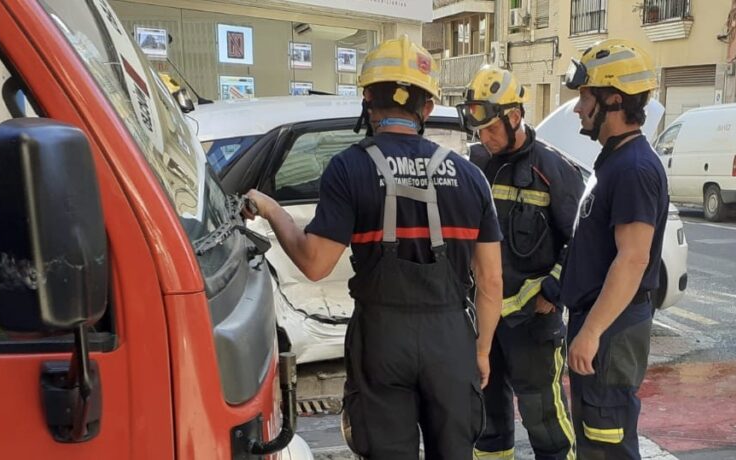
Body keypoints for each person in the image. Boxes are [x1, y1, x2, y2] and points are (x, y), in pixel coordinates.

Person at [243, 35, 504, 459]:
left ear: (367, 99)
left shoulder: (349, 167)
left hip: (382, 339)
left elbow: (314, 263)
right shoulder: (470, 176)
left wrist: (274, 210)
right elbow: (492, 280)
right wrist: (481, 350)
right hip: (450, 337)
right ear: (427, 108)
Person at [459, 65, 583, 460]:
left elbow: (580, 242)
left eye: (493, 128)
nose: (486, 138)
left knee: (545, 423)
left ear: (515, 117)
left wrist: (554, 290)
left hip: (532, 322)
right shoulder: (474, 164)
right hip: (483, 323)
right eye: (479, 130)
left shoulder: (554, 170)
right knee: (488, 425)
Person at [561, 38, 669, 459]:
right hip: (603, 323)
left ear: (613, 100)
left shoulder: (634, 168)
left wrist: (591, 333)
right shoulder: (614, 160)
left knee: (608, 443)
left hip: (611, 329)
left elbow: (634, 258)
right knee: (595, 436)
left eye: (584, 97)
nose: (577, 108)